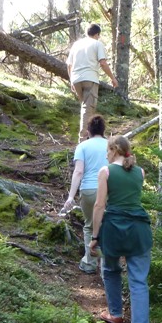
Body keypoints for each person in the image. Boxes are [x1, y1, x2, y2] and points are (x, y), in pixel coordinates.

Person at [89, 135, 152, 323]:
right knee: (138, 280)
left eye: (107, 150)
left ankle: (115, 314)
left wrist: (95, 235)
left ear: (113, 149)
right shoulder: (140, 172)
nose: (106, 154)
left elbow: (99, 205)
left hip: (114, 229)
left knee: (110, 269)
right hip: (138, 231)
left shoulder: (105, 172)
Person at [61, 115, 109, 274]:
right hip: (109, 190)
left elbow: (79, 171)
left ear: (88, 131)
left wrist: (70, 196)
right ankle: (107, 265)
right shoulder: (110, 145)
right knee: (107, 225)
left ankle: (89, 263)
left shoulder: (83, 146)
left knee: (89, 225)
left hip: (88, 190)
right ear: (103, 130)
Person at [66, 24, 118, 142]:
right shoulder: (97, 44)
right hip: (90, 78)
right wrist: (112, 78)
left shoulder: (76, 44)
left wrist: (71, 81)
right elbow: (103, 63)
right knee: (87, 109)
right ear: (97, 34)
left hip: (76, 78)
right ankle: (83, 140)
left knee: (86, 108)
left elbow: (69, 64)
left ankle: (89, 137)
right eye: (98, 35)